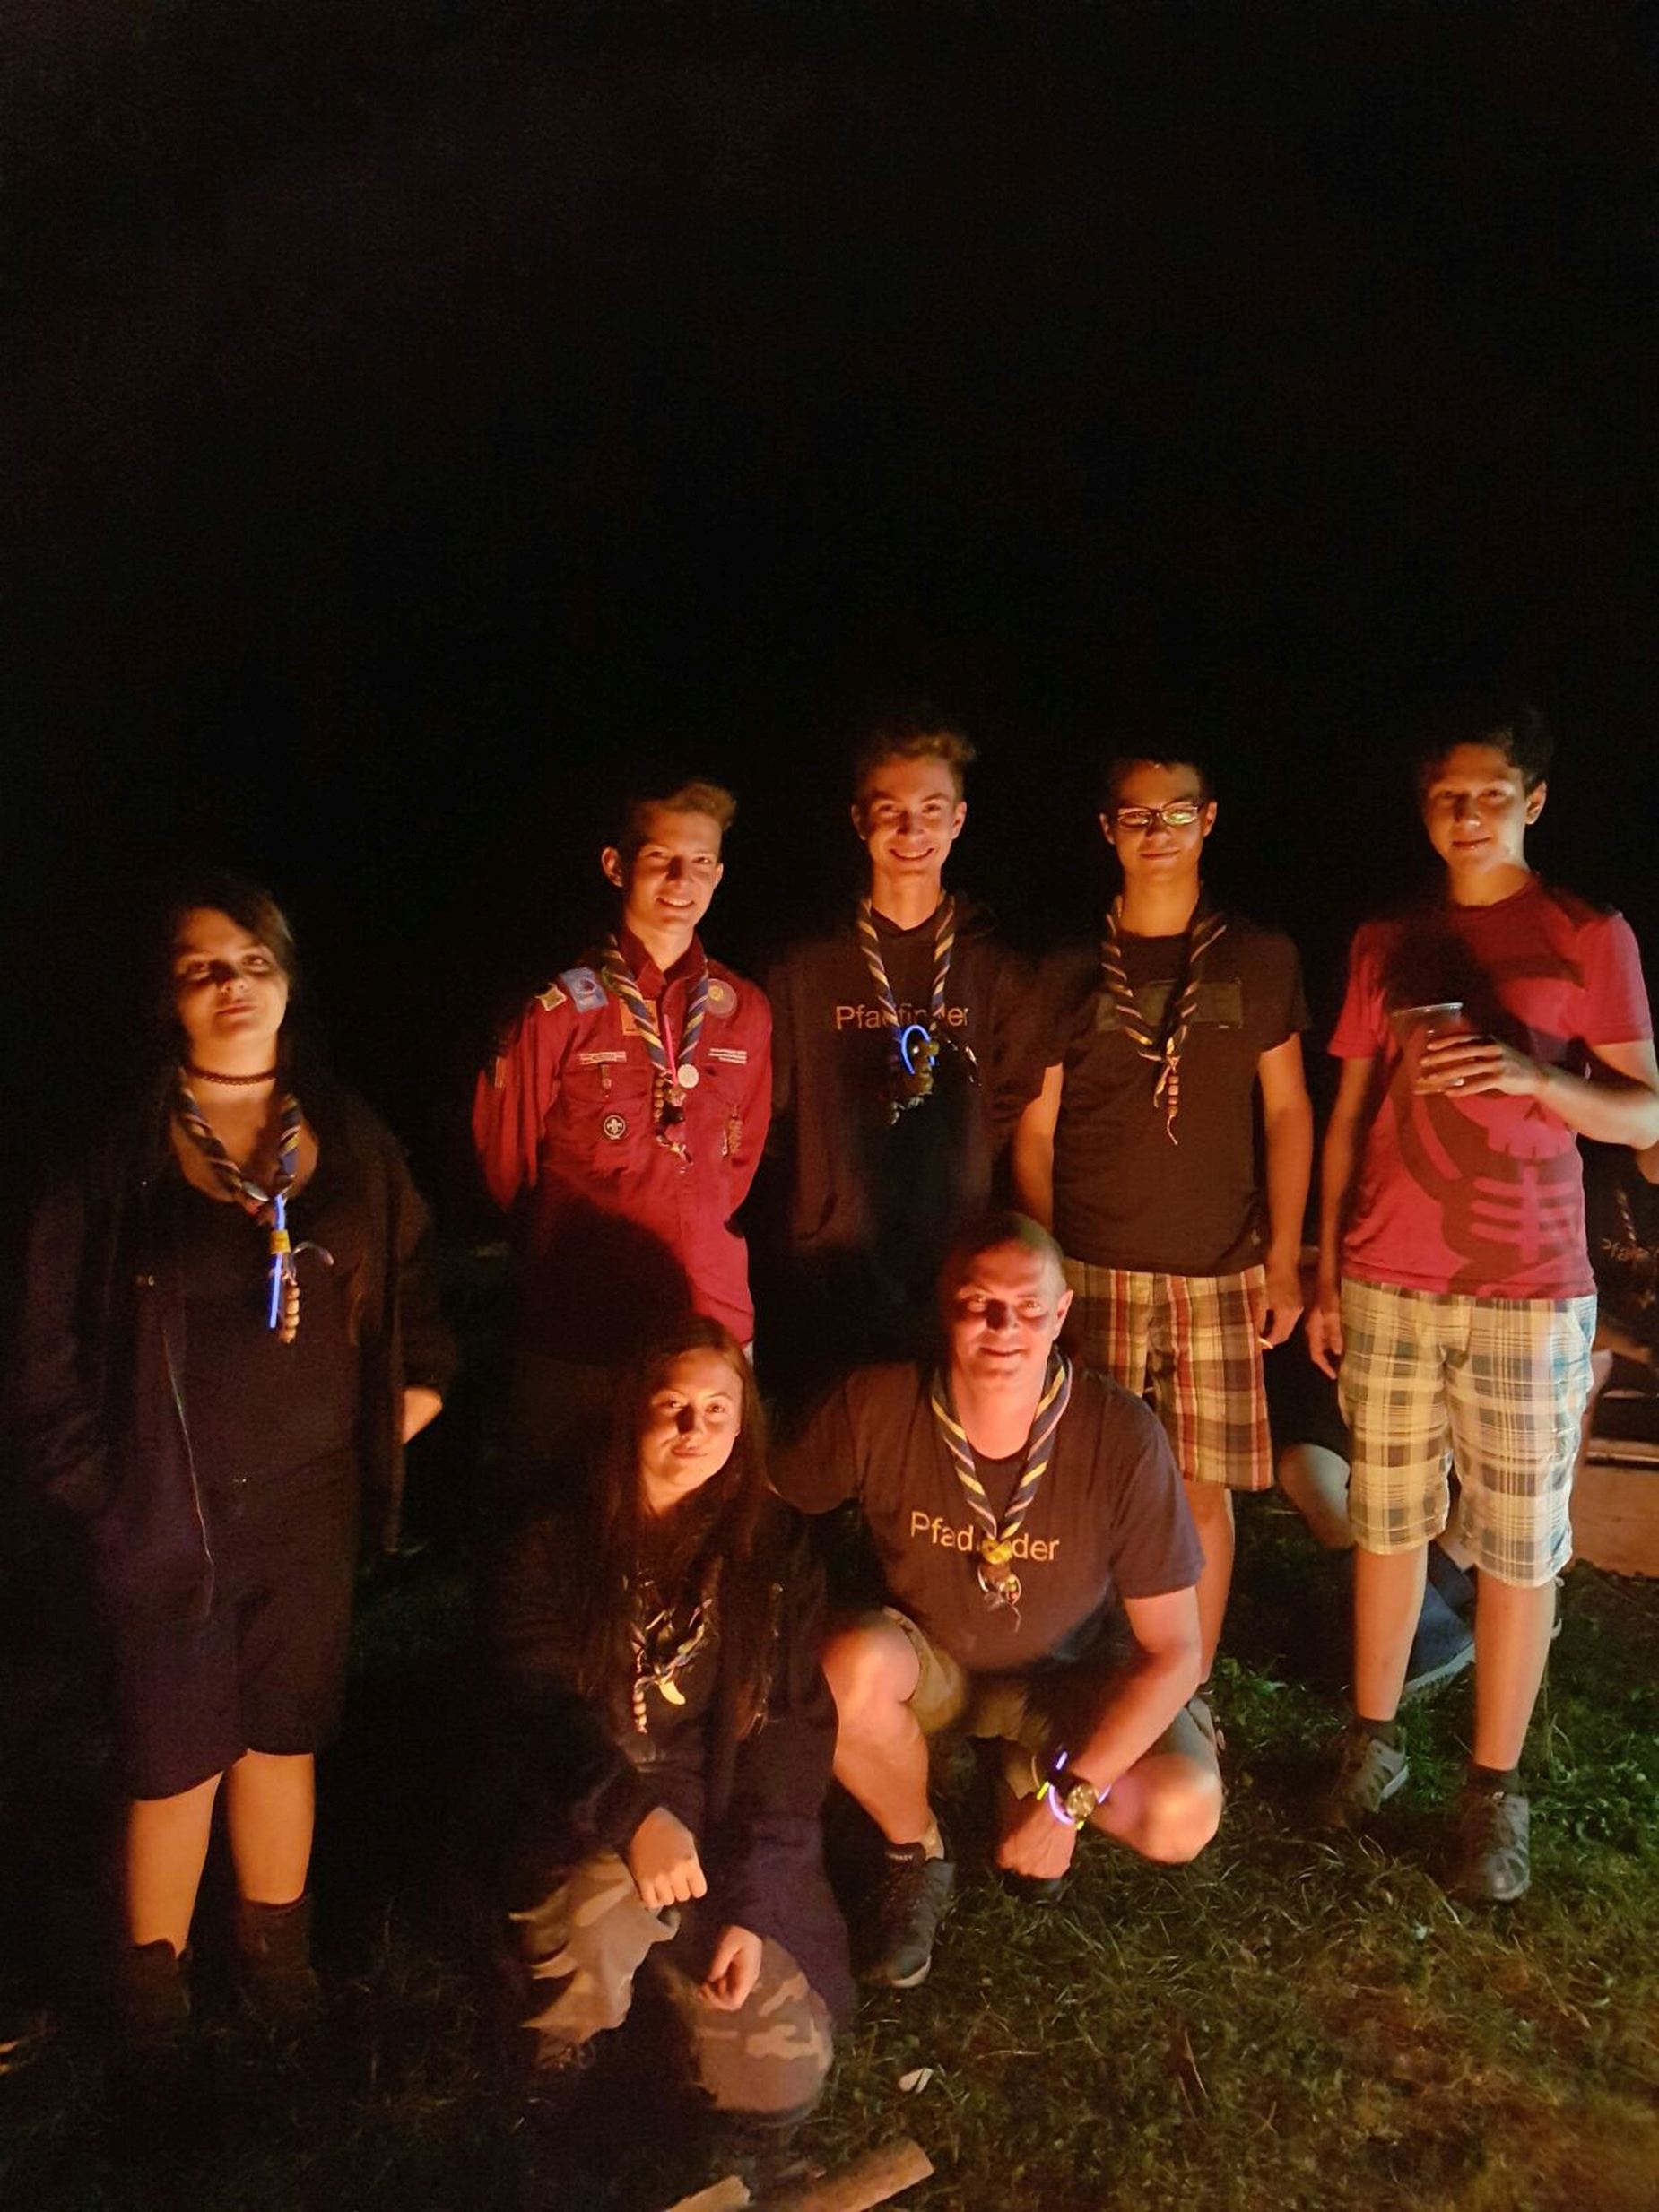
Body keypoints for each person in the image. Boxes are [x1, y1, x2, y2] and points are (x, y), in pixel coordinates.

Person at [17, 874, 455, 2052]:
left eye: (254, 962)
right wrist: (98, 1488)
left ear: (287, 979)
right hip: (168, 1506)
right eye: (203, 967)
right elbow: (45, 1339)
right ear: (166, 995)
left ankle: (278, 1972)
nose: (232, 985)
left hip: (307, 1502)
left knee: (281, 1734)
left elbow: (415, 1286)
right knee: (174, 1754)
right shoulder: (118, 1151)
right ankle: (153, 2001)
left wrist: (400, 1407)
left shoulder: (346, 1133)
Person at [1307, 696, 1659, 1900]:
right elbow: (1348, 1116)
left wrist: (1530, 1075)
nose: (1467, 814)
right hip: (1386, 1274)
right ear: (1425, 807)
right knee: (1386, 1523)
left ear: (1533, 801)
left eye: (1491, 794)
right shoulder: (1385, 938)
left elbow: (1646, 1112)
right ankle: (1371, 1741)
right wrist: (1322, 1266)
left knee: (1516, 1547)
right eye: (1447, 795)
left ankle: (1490, 1791)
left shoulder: (1585, 934)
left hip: (1529, 1285)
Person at [772, 1212, 1221, 1990]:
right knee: (846, 1667)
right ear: (944, 1303)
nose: (1004, 1326)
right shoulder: (879, 1405)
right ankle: (916, 1850)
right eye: (979, 1302)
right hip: (933, 1663)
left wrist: (1068, 1805)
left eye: (1027, 1305)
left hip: (1071, 1678)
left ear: (1061, 1312)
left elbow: (1177, 1650)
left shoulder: (1120, 1435)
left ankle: (1032, 1771)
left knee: (1183, 1812)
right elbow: (771, 1493)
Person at [486, 1316, 849, 2151]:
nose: (696, 1429)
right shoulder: (553, 1538)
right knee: (595, 1921)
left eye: (718, 1410)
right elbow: (536, 1708)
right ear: (631, 1411)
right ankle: (566, 2038)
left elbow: (789, 1741)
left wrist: (753, 1907)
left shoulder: (772, 1551)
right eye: (673, 1405)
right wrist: (632, 1814)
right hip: (586, 1818)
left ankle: (662, 1983)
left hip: (712, 1837)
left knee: (778, 2081)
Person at [1012, 752, 1314, 1712]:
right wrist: (1043, 1270)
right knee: (1084, 1485)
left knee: (1200, 1493)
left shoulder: (1258, 956)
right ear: (1107, 829)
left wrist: (1283, 1259)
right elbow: (1034, 1129)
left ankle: (1187, 1690)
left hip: (1217, 1270)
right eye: (1136, 816)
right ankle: (1087, 1680)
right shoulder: (1064, 968)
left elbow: (1287, 1112)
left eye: (1176, 813)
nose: (1157, 833)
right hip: (1091, 1268)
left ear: (1208, 820)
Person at [473, 779, 769, 1510]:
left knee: (709, 1523)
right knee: (567, 1517)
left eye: (701, 862)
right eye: (662, 858)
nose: (682, 880)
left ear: (720, 873)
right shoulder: (558, 1010)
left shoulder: (744, 1011)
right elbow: (507, 1166)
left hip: (707, 1322)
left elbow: (739, 1166)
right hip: (584, 1328)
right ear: (616, 865)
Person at [760, 705, 1043, 1407]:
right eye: (891, 811)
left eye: (931, 810)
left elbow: (1014, 1119)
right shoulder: (803, 969)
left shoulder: (997, 974)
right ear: (860, 821)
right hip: (830, 1274)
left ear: (959, 820)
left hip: (955, 1276)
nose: (911, 831)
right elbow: (772, 1125)